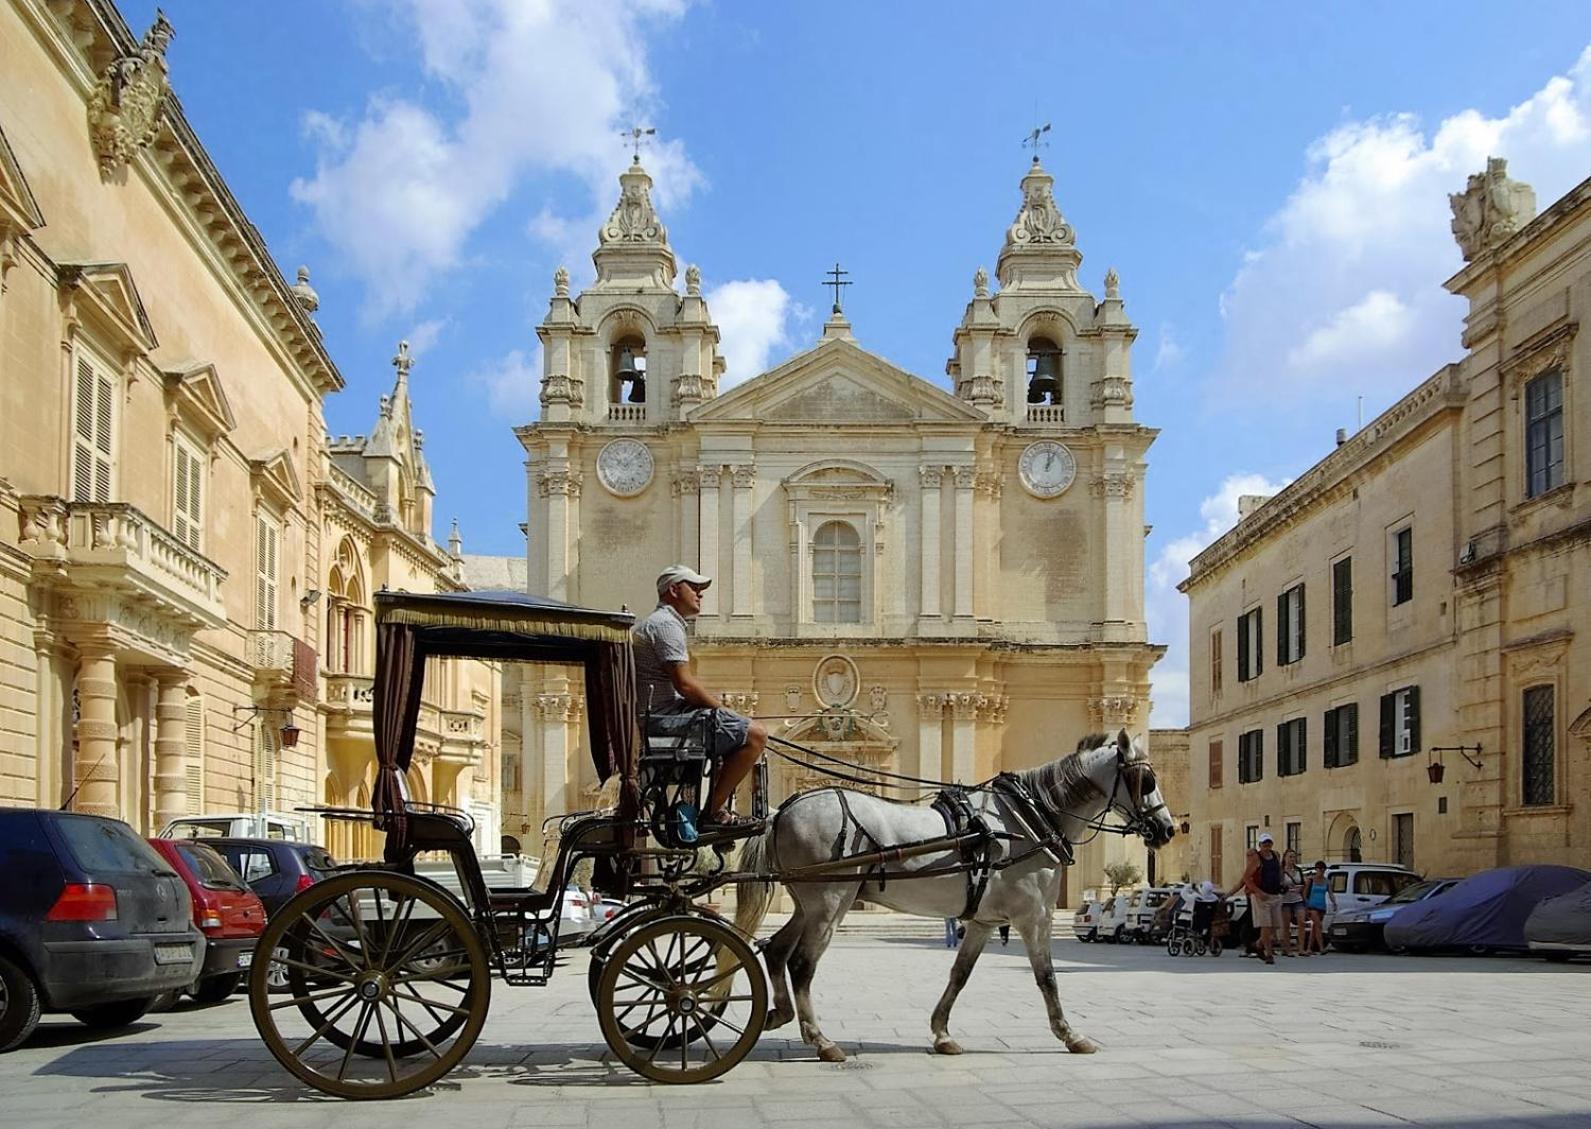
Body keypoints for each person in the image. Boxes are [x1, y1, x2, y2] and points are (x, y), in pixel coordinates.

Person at [632, 565, 768, 833]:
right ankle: (712, 811)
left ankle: (706, 806)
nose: (700, 594)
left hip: (661, 716)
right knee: (756, 735)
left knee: (734, 733)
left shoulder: (662, 623)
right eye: (693, 587)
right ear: (673, 590)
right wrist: (724, 711)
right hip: (664, 721)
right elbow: (685, 685)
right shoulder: (666, 625)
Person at [1231, 832, 1284, 965]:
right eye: (1264, 843)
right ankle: (1269, 954)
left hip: (1274, 894)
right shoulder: (1257, 859)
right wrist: (1258, 892)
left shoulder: (1276, 856)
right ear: (1260, 845)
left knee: (1275, 926)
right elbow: (1246, 878)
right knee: (1266, 925)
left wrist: (1282, 884)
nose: (1267, 846)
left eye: (1269, 843)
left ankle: (1258, 944)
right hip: (1261, 896)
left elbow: (1279, 872)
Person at [1303, 860, 1337, 954]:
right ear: (1316, 869)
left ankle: (1309, 948)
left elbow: (1330, 893)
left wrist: (1334, 902)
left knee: (1315, 928)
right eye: (1319, 869)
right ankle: (1321, 947)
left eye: (1323, 869)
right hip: (1312, 906)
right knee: (1318, 925)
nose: (1321, 871)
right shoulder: (1311, 880)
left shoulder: (1327, 881)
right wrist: (1306, 906)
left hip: (1322, 906)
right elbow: (1305, 894)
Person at [1279, 849, 1306, 957]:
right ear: (1285, 858)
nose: (1292, 859)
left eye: (1294, 857)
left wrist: (1301, 889)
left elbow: (1303, 883)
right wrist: (1284, 886)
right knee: (1286, 925)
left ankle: (1301, 948)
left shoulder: (1298, 870)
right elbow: (1278, 885)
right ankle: (1287, 949)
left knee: (1302, 922)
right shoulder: (1281, 871)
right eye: (1290, 857)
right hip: (1285, 899)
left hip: (1297, 898)